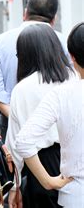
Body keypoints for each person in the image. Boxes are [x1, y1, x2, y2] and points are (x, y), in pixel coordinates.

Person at [15, 22, 84, 208]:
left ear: (72, 57)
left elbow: (22, 141)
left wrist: (48, 181)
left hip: (75, 194)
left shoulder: (62, 94)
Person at [0, 0, 69, 139]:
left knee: (15, 160)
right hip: (56, 123)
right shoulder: (64, 41)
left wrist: (20, 119)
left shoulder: (0, 41)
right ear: (54, 18)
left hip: (13, 121)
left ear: (25, 13)